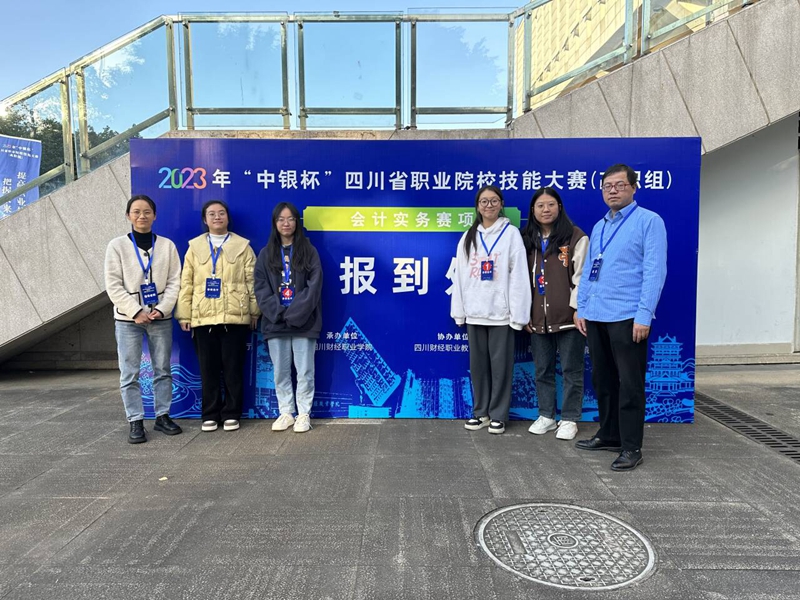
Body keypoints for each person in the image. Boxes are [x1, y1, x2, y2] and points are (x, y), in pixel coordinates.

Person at [575, 164, 668, 471]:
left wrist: (644, 315)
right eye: (607, 186)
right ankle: (609, 434)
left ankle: (631, 446)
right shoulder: (600, 226)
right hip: (596, 315)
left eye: (619, 185)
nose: (612, 191)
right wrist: (582, 308)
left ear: (633, 187)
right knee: (603, 380)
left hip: (628, 316)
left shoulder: (649, 221)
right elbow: (589, 270)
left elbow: (655, 271)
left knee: (629, 384)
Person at [451, 185, 531, 435]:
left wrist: (518, 315)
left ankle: (498, 415)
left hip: (501, 315)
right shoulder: (468, 236)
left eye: (494, 201)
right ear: (477, 206)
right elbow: (459, 276)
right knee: (478, 368)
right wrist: (459, 311)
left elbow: (519, 276)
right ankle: (480, 413)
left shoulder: (511, 234)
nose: (489, 205)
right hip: (475, 313)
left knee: (501, 368)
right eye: (484, 201)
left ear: (501, 204)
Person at [175, 200, 260, 433]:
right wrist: (184, 315)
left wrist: (254, 311)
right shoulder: (194, 248)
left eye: (221, 213)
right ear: (205, 220)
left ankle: (232, 413)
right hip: (203, 318)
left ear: (228, 218)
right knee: (208, 370)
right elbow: (186, 282)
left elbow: (252, 282)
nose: (217, 217)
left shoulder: (243, 247)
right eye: (211, 214)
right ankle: (210, 414)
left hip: (235, 318)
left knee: (233, 369)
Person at [104, 195, 183, 444]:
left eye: (147, 211)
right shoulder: (116, 246)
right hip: (127, 320)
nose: (142, 216)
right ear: (128, 216)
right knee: (130, 372)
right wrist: (135, 311)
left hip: (160, 317)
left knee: (163, 369)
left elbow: (175, 281)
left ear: (155, 215)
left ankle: (162, 416)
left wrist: (162, 308)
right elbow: (113, 285)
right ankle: (135, 420)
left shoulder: (167, 246)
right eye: (136, 211)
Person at [521, 187, 589, 441]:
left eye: (550, 204)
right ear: (533, 210)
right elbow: (519, 280)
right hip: (537, 318)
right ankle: (547, 416)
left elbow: (582, 277)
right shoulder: (526, 240)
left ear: (559, 207)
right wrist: (523, 312)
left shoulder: (575, 237)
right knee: (542, 370)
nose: (545, 210)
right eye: (540, 206)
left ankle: (569, 418)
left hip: (569, 318)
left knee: (572, 370)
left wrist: (578, 308)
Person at [254, 202, 323, 433]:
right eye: (281, 219)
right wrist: (279, 313)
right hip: (275, 323)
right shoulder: (266, 254)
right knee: (280, 371)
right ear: (275, 223)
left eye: (291, 219)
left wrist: (294, 313)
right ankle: (286, 412)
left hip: (304, 322)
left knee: (305, 371)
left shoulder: (309, 251)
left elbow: (314, 286)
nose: (286, 223)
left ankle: (303, 414)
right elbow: (260, 288)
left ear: (297, 222)